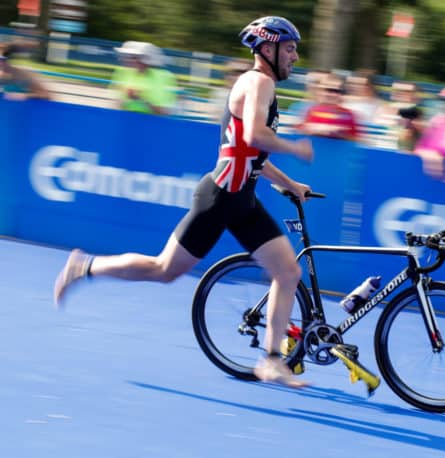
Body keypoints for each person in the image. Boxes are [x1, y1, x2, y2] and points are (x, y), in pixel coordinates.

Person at [54, 16, 314, 388]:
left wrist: (291, 183)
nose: (296, 56)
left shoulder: (263, 84)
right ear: (268, 49)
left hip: (243, 200)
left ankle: (272, 360)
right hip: (221, 197)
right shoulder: (258, 82)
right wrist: (296, 148)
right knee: (164, 270)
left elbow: (250, 149)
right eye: (290, 49)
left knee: (288, 273)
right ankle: (85, 266)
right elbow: (257, 134)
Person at [110, 41, 178, 115]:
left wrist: (140, 98)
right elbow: (118, 105)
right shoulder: (123, 73)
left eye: (133, 57)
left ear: (146, 60)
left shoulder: (163, 77)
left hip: (151, 122)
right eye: (127, 56)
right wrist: (127, 98)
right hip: (127, 118)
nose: (127, 60)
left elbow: (164, 112)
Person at [297, 72, 359, 141]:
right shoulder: (311, 110)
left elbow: (356, 139)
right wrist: (315, 130)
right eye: (328, 90)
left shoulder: (348, 114)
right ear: (320, 91)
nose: (332, 94)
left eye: (337, 91)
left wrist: (340, 134)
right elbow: (300, 131)